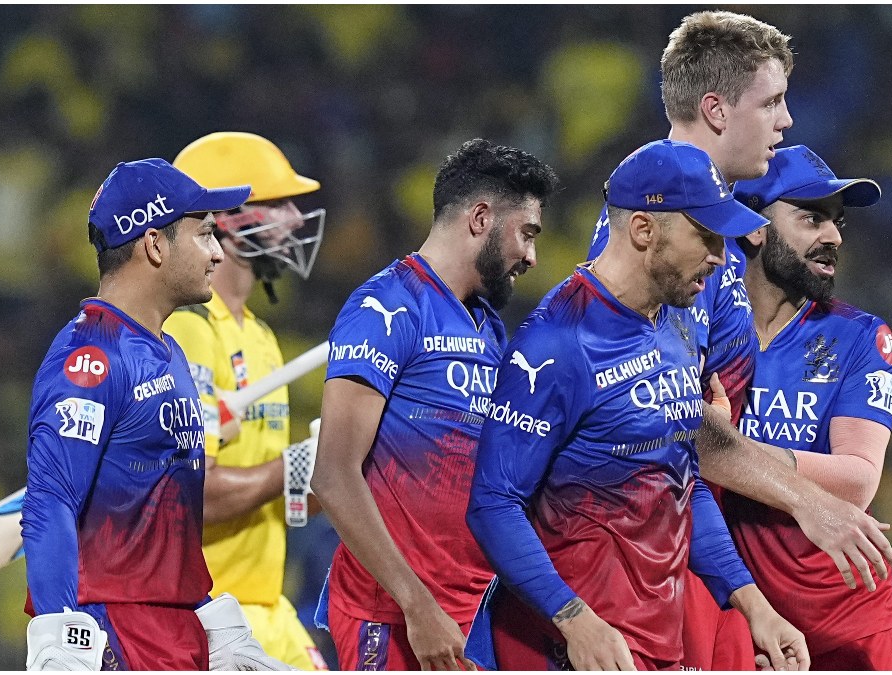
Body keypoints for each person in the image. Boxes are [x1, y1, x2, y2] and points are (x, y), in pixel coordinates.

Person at [586, 11, 892, 669]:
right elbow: (667, 420)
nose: (786, 120)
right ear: (717, 110)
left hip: (682, 556)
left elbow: (694, 436)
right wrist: (808, 499)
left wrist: (747, 596)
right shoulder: (663, 223)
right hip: (623, 559)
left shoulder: (711, 229)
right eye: (772, 101)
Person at [466, 139, 808, 671]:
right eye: (706, 236)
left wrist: (753, 604)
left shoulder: (676, 329)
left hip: (651, 647)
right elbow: (493, 503)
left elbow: (680, 481)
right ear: (644, 230)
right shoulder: (557, 343)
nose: (721, 258)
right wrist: (572, 619)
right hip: (567, 651)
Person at [20, 159, 293, 670]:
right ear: (154, 245)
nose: (218, 252)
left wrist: (208, 618)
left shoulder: (169, 351)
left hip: (173, 630)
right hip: (115, 633)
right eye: (205, 234)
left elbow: (161, 519)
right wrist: (58, 636)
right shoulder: (92, 356)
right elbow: (50, 500)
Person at [310, 138, 559, 670]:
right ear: (481, 218)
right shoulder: (386, 307)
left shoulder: (488, 326)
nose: (531, 257)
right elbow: (332, 475)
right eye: (526, 233)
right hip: (395, 617)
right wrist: (416, 604)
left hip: (468, 613)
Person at [720, 144, 892, 669]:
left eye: (837, 222)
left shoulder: (862, 336)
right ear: (755, 226)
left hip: (845, 625)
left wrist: (724, 450)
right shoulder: (703, 329)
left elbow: (858, 479)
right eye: (811, 218)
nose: (834, 237)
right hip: (735, 612)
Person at [165, 131, 329, 670]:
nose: (295, 220)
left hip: (267, 607)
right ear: (227, 219)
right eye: (279, 204)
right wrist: (294, 466)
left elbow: (277, 500)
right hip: (207, 616)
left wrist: (328, 472)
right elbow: (194, 495)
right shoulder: (189, 331)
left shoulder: (260, 336)